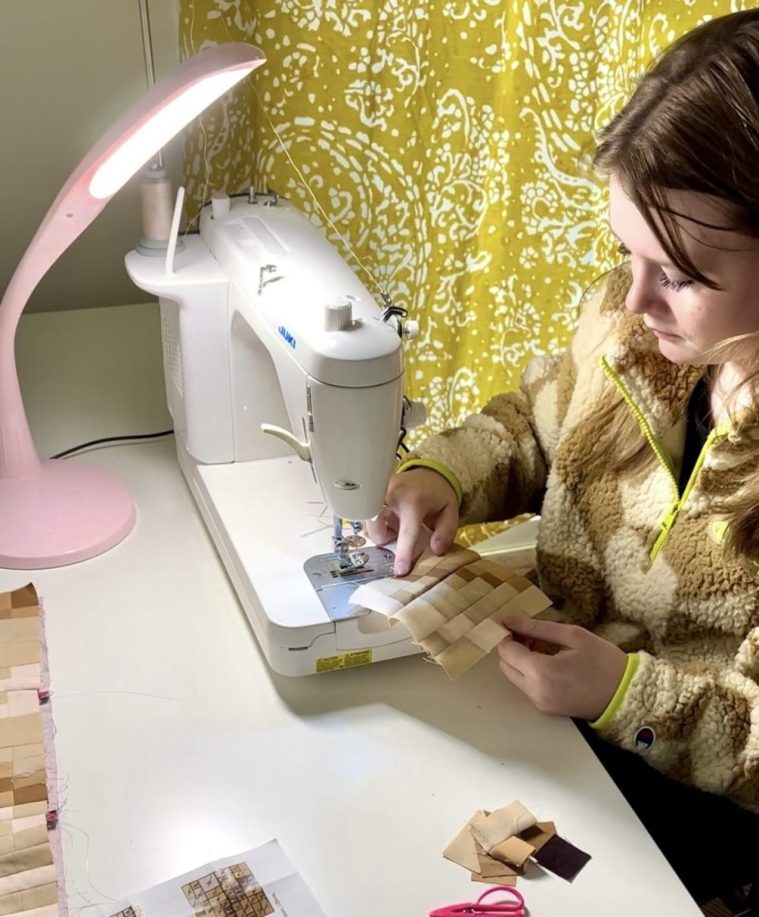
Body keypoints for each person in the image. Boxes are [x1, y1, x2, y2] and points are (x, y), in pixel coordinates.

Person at [366, 9, 759, 908]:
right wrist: (443, 473)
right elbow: (538, 427)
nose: (634, 295)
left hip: (693, 810)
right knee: (385, 811)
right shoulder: (629, 327)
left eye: (677, 273)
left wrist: (623, 693)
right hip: (558, 723)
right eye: (626, 252)